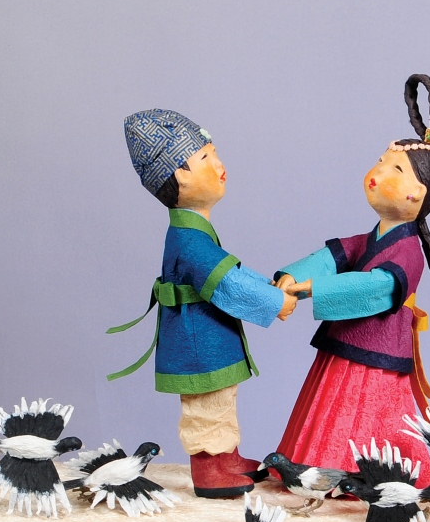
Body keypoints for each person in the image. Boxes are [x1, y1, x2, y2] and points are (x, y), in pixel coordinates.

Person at [273, 75, 430, 488]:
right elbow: (333, 255)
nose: (379, 171)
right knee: (333, 410)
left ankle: (354, 480)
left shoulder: (408, 251)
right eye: (382, 161)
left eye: (396, 169)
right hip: (346, 345)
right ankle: (316, 474)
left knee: (373, 414)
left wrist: (314, 289)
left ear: (418, 194)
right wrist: (292, 275)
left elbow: (377, 288)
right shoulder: (371, 238)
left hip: (379, 352)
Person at [111, 109, 296, 498]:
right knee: (207, 405)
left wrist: (268, 286)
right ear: (181, 175)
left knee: (220, 400)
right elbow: (226, 282)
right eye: (206, 158)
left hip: (206, 336)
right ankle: (211, 470)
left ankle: (227, 458)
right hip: (199, 342)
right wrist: (274, 300)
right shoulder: (191, 241)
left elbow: (230, 269)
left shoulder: (195, 233)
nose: (219, 165)